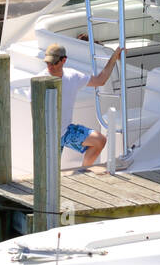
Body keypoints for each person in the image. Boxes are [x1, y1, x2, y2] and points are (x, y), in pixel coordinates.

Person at [41, 41, 126, 170]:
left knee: (100, 140)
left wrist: (114, 58)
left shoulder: (73, 76)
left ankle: (83, 173)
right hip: (47, 134)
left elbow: (100, 80)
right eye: (47, 63)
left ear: (64, 60)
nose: (50, 66)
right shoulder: (39, 80)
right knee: (49, 173)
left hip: (65, 131)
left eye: (54, 63)